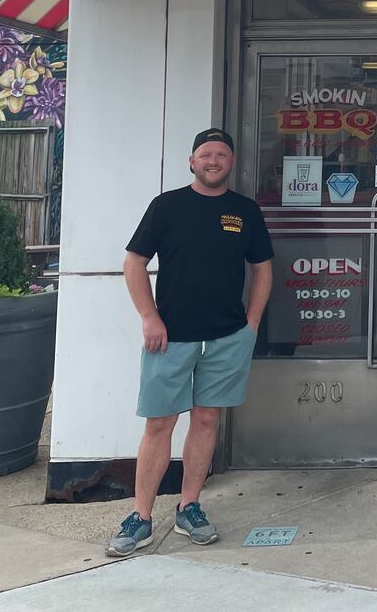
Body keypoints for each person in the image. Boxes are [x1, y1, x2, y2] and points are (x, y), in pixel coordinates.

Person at [106, 129, 274, 557]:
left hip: (226, 337)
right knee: (159, 423)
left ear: (231, 163)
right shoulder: (167, 207)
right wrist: (149, 317)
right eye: (206, 154)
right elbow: (134, 263)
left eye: (221, 155)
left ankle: (189, 506)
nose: (213, 160)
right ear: (192, 161)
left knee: (206, 420)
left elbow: (262, 269)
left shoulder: (245, 211)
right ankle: (141, 517)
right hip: (171, 336)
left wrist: (250, 325)